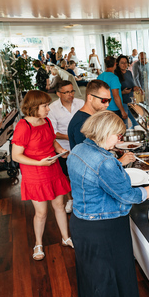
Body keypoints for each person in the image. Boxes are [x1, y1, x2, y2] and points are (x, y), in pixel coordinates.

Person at [67, 110, 149, 297]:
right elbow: (127, 196)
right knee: (112, 276)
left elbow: (94, 181)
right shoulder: (105, 162)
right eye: (118, 135)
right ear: (105, 132)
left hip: (81, 222)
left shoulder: (78, 149)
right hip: (104, 229)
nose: (119, 140)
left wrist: (118, 164)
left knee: (93, 274)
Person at [11, 90, 73, 261]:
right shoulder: (24, 126)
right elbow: (16, 156)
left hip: (52, 168)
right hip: (35, 172)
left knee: (60, 205)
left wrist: (60, 150)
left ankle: (65, 237)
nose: (48, 109)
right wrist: (39, 163)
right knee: (42, 212)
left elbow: (52, 139)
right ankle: (38, 243)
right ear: (33, 107)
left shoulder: (45, 121)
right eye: (45, 106)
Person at [67, 80, 136, 166]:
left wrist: (113, 144)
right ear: (90, 98)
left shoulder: (94, 118)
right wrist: (120, 162)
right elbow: (89, 159)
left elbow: (97, 145)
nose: (107, 104)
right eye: (103, 100)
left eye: (109, 100)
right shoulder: (82, 122)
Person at [48, 81, 85, 213]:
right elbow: (53, 133)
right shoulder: (52, 109)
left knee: (82, 173)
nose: (71, 95)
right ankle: (71, 199)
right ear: (58, 94)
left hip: (83, 146)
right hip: (64, 148)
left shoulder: (81, 104)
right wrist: (71, 136)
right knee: (68, 175)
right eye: (67, 92)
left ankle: (83, 198)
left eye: (72, 91)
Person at [114, 55, 140, 128]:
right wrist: (123, 92)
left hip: (131, 103)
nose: (124, 65)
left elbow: (132, 84)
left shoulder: (129, 73)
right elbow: (113, 92)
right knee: (124, 126)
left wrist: (135, 87)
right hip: (122, 104)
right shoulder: (115, 75)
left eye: (126, 62)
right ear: (118, 64)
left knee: (136, 123)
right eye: (122, 63)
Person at [99, 56, 127, 121]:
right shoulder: (114, 78)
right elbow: (116, 96)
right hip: (114, 110)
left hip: (103, 108)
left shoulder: (100, 76)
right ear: (115, 64)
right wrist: (122, 111)